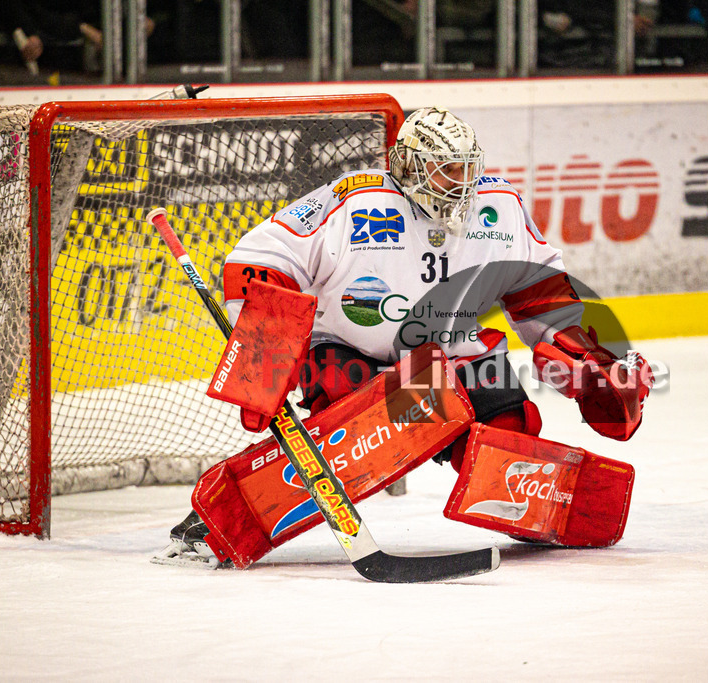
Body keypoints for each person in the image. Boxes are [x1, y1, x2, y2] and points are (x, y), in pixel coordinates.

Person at [165, 107, 653, 562]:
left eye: (465, 168)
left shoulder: (500, 206)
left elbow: (538, 290)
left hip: (452, 355)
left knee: (510, 432)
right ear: (407, 165)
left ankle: (542, 510)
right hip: (353, 352)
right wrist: (266, 347)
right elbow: (262, 258)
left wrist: (587, 363)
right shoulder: (355, 200)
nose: (459, 183)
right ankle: (218, 518)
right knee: (342, 444)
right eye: (444, 169)